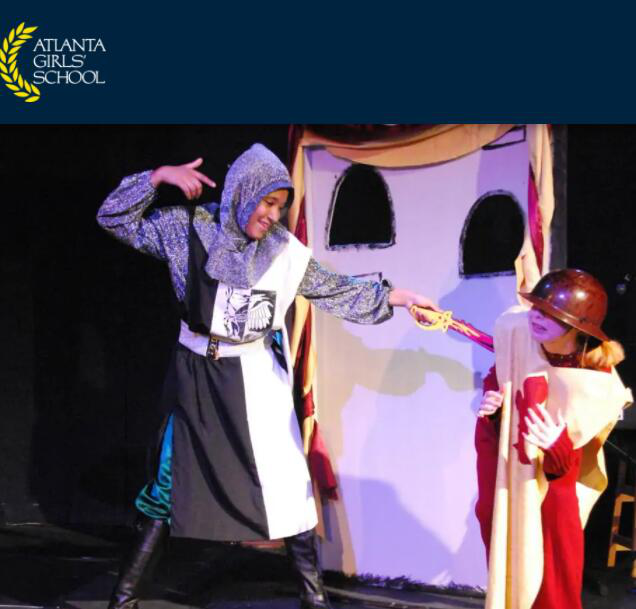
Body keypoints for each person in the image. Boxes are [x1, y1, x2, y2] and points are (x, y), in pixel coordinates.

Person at [97, 143, 438, 609]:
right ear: (242, 191)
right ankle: (123, 600)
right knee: (167, 484)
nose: (273, 216)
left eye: (280, 206)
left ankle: (314, 599)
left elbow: (336, 289)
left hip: (255, 378)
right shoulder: (187, 229)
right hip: (197, 377)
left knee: (287, 486)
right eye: (267, 202)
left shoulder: (286, 253)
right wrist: (157, 177)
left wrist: (398, 298)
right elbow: (114, 218)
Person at [474, 268, 632, 609]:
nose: (536, 318)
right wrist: (495, 413)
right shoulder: (520, 342)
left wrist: (558, 445)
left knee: (552, 569)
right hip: (515, 478)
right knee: (502, 538)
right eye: (536, 309)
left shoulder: (595, 376)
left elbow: (572, 459)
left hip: (556, 491)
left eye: (551, 315)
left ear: (577, 326)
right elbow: (498, 380)